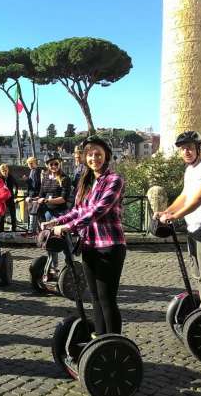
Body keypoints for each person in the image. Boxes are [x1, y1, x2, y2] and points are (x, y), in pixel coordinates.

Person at [42, 135, 126, 336]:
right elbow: (78, 210)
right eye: (90, 154)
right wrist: (56, 222)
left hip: (109, 245)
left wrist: (69, 228)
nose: (94, 158)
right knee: (94, 297)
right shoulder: (88, 182)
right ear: (85, 157)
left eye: (98, 154)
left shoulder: (115, 180)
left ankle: (114, 342)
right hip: (89, 245)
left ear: (106, 156)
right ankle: (99, 338)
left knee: (107, 299)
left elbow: (98, 210)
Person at [155, 131, 201, 308]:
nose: (186, 152)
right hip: (195, 228)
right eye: (182, 149)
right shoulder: (190, 170)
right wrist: (166, 211)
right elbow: (185, 196)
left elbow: (200, 196)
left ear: (199, 148)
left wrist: (175, 216)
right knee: (199, 275)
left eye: (189, 148)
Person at [37, 152, 71, 276]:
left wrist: (47, 200)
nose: (54, 166)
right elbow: (41, 194)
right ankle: (54, 267)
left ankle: (70, 264)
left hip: (60, 212)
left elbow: (63, 199)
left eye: (56, 164)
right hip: (47, 212)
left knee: (64, 238)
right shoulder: (45, 177)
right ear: (47, 165)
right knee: (50, 240)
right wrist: (33, 199)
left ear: (59, 164)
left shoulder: (65, 178)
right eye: (51, 164)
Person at [23, 156, 42, 236]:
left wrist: (27, 180)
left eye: (31, 163)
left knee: (33, 213)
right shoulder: (35, 171)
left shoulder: (35, 171)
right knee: (35, 214)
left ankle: (31, 231)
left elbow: (35, 185)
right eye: (28, 163)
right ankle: (35, 231)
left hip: (34, 195)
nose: (29, 165)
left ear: (35, 163)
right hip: (35, 195)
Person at [0, 163, 19, 232]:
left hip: (10, 198)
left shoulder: (11, 177)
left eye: (6, 170)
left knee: (13, 214)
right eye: (3, 171)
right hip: (2, 199)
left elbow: (16, 185)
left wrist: (15, 194)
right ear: (1, 171)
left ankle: (14, 229)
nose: (4, 172)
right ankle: (1, 230)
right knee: (2, 215)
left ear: (8, 170)